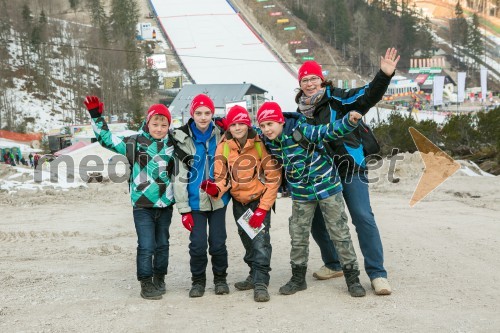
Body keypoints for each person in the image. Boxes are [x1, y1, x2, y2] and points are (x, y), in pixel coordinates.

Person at [296, 48, 400, 295]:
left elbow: (366, 96)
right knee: (316, 220)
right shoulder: (300, 111)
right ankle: (333, 263)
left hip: (349, 167)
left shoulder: (338, 98)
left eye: (313, 78)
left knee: (362, 216)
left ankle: (377, 274)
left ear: (321, 79)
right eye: (304, 80)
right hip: (321, 174)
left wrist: (384, 76)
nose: (310, 84)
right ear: (299, 84)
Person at [256, 101, 366, 297]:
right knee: (298, 235)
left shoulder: (302, 130)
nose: (267, 129)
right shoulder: (267, 141)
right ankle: (298, 278)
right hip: (300, 193)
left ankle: (353, 278)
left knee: (339, 233)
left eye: (270, 124)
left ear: (281, 122)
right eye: (263, 125)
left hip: (328, 188)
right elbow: (240, 130)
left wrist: (349, 122)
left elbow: (328, 131)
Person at [84, 96, 175, 301]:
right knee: (146, 245)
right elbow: (106, 138)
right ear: (147, 122)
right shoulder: (133, 142)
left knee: (162, 244)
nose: (159, 128)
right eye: (155, 124)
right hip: (142, 205)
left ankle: (159, 278)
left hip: (165, 204)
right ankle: (146, 282)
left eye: (164, 125)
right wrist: (96, 115)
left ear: (169, 125)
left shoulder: (173, 144)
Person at [202, 105, 281, 302]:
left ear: (248, 124)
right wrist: (215, 189)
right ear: (229, 125)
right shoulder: (225, 146)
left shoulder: (258, 144)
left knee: (261, 242)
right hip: (240, 203)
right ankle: (253, 274)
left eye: (241, 123)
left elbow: (273, 176)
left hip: (258, 200)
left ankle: (261, 282)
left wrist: (262, 209)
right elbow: (222, 178)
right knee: (248, 241)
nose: (237, 127)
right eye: (233, 124)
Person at [170, 94, 231, 298]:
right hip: (194, 203)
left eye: (207, 113)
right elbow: (178, 176)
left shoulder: (222, 134)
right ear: (192, 114)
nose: (203, 117)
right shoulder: (182, 138)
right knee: (197, 245)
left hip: (217, 201)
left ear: (213, 114)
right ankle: (198, 281)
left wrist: (229, 125)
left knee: (218, 243)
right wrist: (184, 209)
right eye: (198, 113)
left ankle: (220, 279)